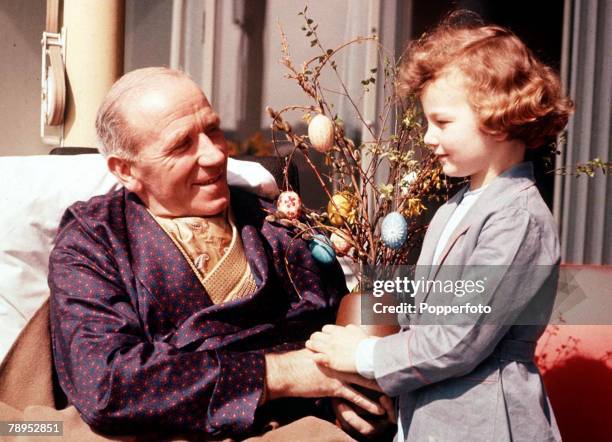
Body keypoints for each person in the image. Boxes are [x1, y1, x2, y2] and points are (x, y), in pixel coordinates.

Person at [48, 67, 389, 440]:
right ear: (126, 170)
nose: (214, 155)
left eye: (212, 130)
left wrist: (343, 392)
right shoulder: (94, 239)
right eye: (182, 145)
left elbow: (337, 318)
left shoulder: (273, 224)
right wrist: (281, 373)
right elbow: (107, 385)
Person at [306, 15, 574, 442]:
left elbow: (458, 340)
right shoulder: (454, 209)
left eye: (443, 122)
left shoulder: (517, 217)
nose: (428, 137)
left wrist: (363, 353)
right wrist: (360, 319)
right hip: (430, 419)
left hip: (487, 423)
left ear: (500, 117)